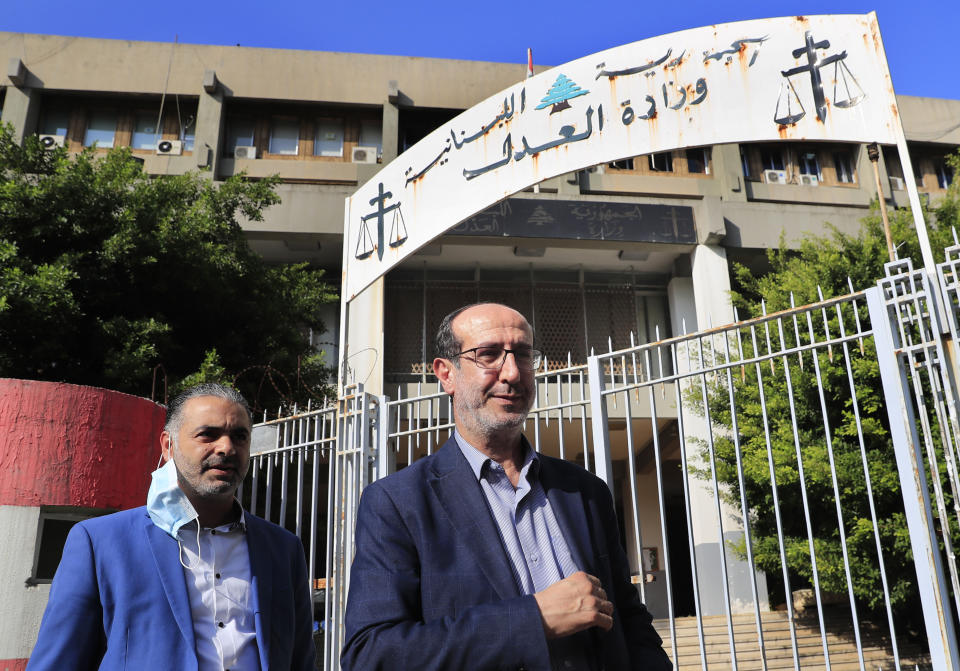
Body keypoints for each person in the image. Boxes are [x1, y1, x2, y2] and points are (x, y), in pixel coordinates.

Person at [342, 303, 671, 671]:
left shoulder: (585, 492)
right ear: (446, 374)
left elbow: (628, 619)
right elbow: (372, 654)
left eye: (524, 354)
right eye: (488, 355)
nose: (512, 372)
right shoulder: (398, 503)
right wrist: (533, 619)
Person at [27, 383, 315, 671]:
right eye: (208, 435)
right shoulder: (101, 542)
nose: (227, 447)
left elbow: (300, 659)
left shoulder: (283, 548)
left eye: (239, 437)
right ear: (168, 445)